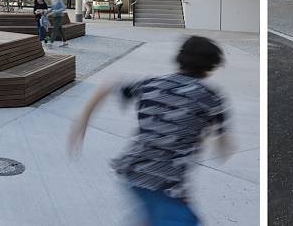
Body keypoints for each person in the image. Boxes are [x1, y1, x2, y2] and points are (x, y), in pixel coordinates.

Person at [68, 36, 230, 226]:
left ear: (180, 59)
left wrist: (82, 121)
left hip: (133, 171)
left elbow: (110, 82)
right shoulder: (210, 98)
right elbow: (225, 147)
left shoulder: (151, 85)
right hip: (165, 183)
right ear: (209, 68)